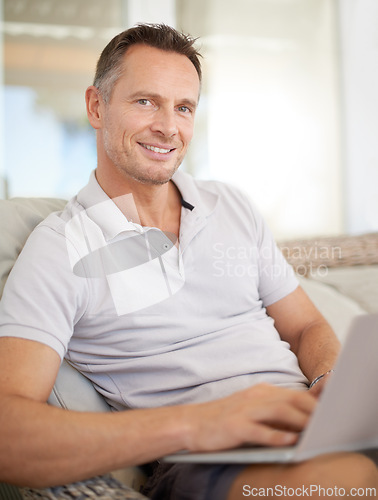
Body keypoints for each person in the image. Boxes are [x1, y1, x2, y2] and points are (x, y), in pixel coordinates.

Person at [0, 24, 376, 500]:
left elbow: (304, 328)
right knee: (348, 481)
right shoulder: (60, 248)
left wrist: (332, 382)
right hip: (212, 459)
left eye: (183, 107)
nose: (168, 126)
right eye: (145, 102)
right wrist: (202, 422)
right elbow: (7, 433)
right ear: (97, 106)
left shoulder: (231, 206)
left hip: (308, 423)